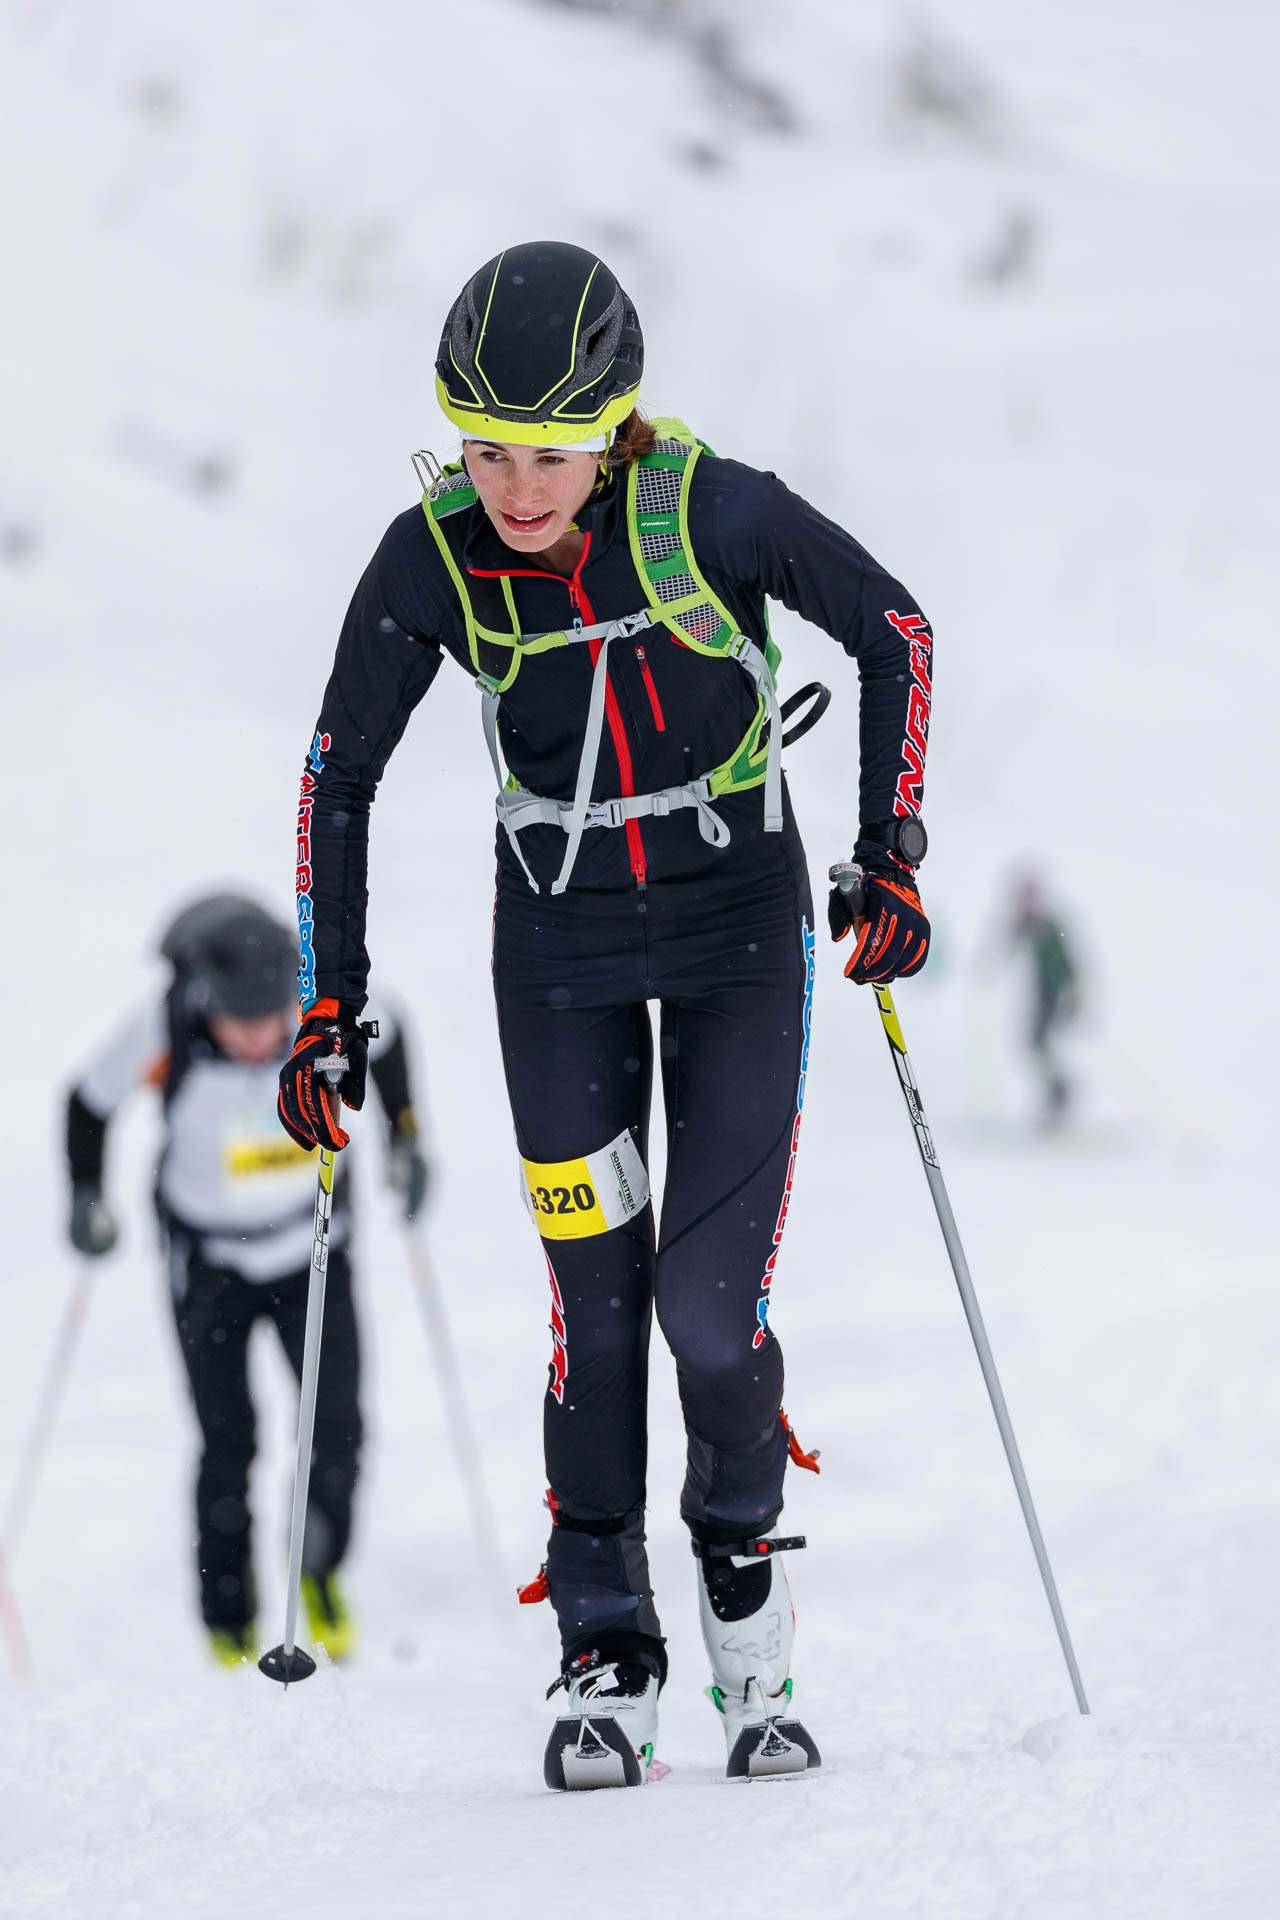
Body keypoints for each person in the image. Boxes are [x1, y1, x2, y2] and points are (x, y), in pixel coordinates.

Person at [277, 241, 933, 1786]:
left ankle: (744, 1593)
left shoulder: (705, 510)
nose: (517, 485)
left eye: (552, 451)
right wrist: (328, 1003)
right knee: (596, 1306)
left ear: (615, 427)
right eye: (488, 446)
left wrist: (887, 853)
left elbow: (892, 626)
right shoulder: (434, 556)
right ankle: (604, 1642)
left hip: (731, 939)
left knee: (708, 1309)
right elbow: (336, 772)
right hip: (560, 953)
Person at [66, 893, 430, 1666]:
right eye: (240, 1021)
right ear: (206, 996)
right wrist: (87, 1196)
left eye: (272, 1019)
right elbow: (88, 1104)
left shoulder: (324, 1015)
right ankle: (227, 1617)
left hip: (314, 1253)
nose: (260, 1037)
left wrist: (407, 1139)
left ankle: (321, 1574)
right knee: (228, 1442)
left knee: (337, 1429)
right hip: (209, 1268)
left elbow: (392, 1040)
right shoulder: (163, 1026)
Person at [1008, 875, 1080, 1124]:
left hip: (1053, 992)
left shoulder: (1048, 926)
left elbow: (1068, 962)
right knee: (1035, 1043)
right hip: (1042, 992)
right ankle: (1057, 1091)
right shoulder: (1029, 924)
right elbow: (1010, 938)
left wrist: (1073, 993)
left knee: (1036, 1041)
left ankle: (1060, 1091)